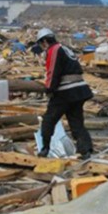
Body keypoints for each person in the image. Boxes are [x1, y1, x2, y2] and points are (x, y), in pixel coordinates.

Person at [36, 28, 93, 159]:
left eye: (41, 43)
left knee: (49, 120)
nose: (42, 47)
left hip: (66, 91)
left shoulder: (54, 50)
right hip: (80, 90)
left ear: (44, 41)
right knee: (76, 122)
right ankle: (86, 150)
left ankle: (45, 149)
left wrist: (49, 89)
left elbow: (52, 71)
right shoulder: (65, 48)